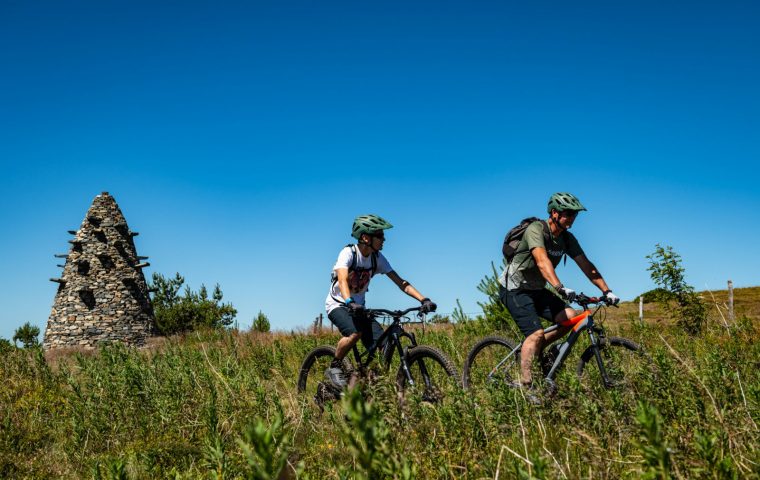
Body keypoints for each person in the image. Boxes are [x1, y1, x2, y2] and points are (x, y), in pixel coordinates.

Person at [498, 192, 620, 402]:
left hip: (537, 289)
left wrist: (606, 291)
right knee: (535, 333)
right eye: (567, 214)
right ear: (554, 213)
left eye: (574, 215)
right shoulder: (536, 230)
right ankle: (528, 390)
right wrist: (560, 287)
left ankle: (534, 352)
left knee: (570, 317)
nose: (571, 218)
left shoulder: (567, 238)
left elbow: (586, 264)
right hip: (514, 288)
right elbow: (541, 260)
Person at [324, 214, 437, 390]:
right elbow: (343, 280)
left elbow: (401, 282)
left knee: (385, 345)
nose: (384, 239)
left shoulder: (377, 258)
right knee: (355, 333)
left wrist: (423, 299)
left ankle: (362, 385)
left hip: (360, 308)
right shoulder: (349, 253)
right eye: (380, 235)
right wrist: (349, 301)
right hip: (339, 304)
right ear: (365, 237)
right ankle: (335, 365)